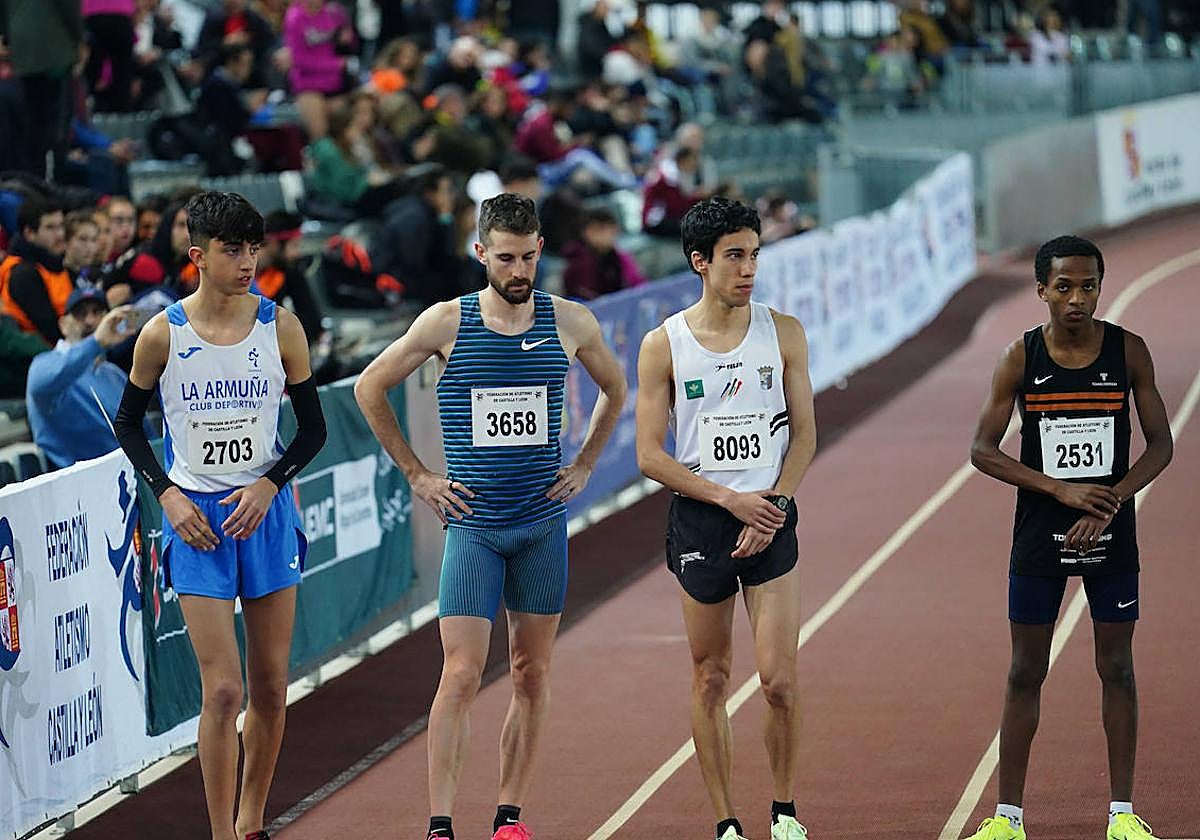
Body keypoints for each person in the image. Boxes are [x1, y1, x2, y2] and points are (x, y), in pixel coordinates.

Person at [353, 193, 626, 840]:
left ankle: (509, 817)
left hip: (540, 525)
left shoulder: (570, 321)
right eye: (506, 258)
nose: (520, 271)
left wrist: (585, 463)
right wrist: (418, 474)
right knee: (462, 673)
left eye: (529, 257)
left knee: (532, 672)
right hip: (474, 527)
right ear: (480, 254)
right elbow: (369, 387)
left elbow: (616, 390)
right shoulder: (446, 323)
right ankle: (440, 824)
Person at [113, 191, 326, 840]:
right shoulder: (163, 334)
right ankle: (218, 833)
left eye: (254, 249)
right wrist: (168, 496)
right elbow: (127, 425)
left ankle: (251, 821)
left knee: (268, 686)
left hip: (264, 512)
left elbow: (312, 430)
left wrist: (270, 484)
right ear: (198, 256)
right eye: (233, 251)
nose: (248, 262)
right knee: (224, 691)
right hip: (198, 523)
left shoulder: (280, 327)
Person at [965, 235, 1173, 840]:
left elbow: (1162, 443)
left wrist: (1111, 499)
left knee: (1117, 667)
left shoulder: (1129, 351)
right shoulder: (1020, 358)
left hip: (1110, 527)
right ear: (1041, 292)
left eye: (1088, 286)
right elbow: (982, 450)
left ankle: (1123, 816)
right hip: (1040, 531)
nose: (1077, 298)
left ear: (1100, 288)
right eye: (1064, 287)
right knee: (1026, 669)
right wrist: (1060, 490)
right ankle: (1007, 820)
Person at [634, 196, 816, 840]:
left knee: (779, 682)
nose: (749, 269)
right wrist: (727, 499)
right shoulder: (665, 346)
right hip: (704, 524)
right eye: (735, 256)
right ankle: (726, 822)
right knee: (711, 677)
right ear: (700, 262)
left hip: (770, 519)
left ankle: (785, 812)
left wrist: (775, 505)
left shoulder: (783, 331)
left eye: (755, 255)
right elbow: (650, 455)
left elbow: (805, 438)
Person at [26, 287, 140, 468]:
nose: (90, 321)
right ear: (63, 324)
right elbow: (41, 384)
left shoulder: (114, 374)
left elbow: (143, 433)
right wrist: (96, 342)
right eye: (80, 314)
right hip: (79, 488)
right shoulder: (45, 365)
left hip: (131, 481)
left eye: (98, 313)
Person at [0, 198, 70, 344]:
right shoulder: (23, 274)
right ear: (29, 233)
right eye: (50, 228)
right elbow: (52, 331)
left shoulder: (54, 263)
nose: (60, 235)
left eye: (61, 226)